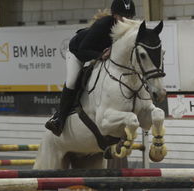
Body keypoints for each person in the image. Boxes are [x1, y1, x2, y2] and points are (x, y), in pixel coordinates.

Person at [45, 0, 136, 136]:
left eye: (129, 16)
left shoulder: (129, 29)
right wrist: (100, 55)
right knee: (72, 81)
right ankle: (59, 119)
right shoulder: (102, 25)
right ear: (114, 15)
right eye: (123, 16)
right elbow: (83, 50)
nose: (126, 20)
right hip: (78, 52)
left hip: (100, 55)